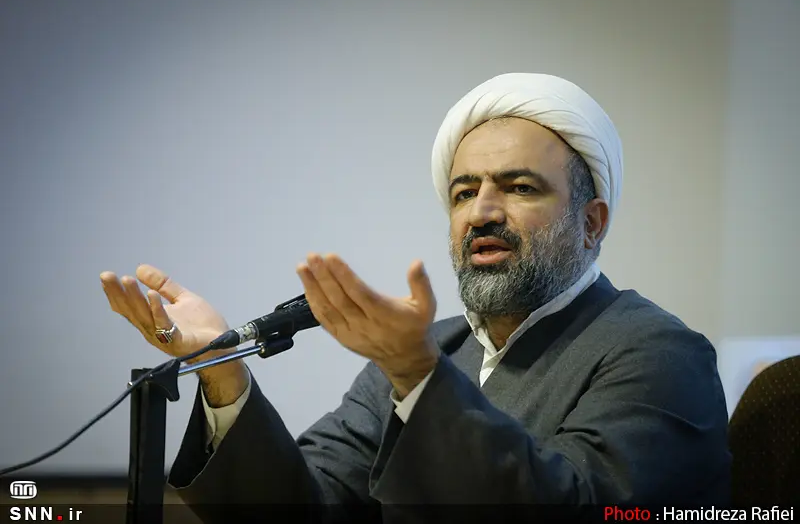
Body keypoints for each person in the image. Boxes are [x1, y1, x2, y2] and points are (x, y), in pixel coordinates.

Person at [100, 73, 731, 521]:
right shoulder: (434, 347)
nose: (482, 212)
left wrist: (419, 378)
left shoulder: (659, 354)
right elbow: (304, 506)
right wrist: (223, 371)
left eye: (519, 187)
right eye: (463, 193)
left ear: (591, 222)